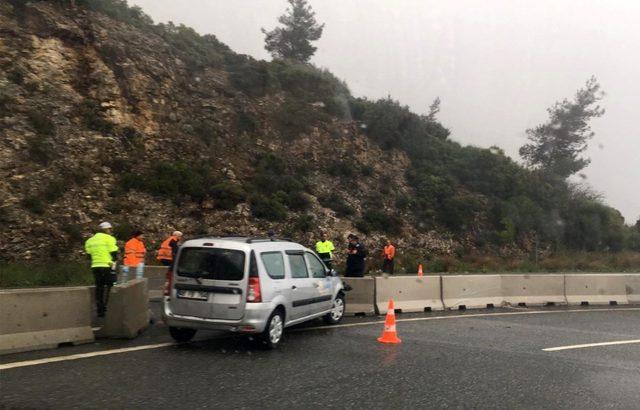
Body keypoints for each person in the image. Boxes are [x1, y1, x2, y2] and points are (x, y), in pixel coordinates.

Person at [85, 222, 118, 317]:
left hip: (95, 266)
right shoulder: (109, 239)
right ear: (106, 230)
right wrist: (114, 265)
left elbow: (89, 256)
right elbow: (114, 254)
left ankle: (100, 310)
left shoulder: (89, 241)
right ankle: (107, 307)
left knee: (99, 288)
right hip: (107, 265)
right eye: (110, 229)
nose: (111, 231)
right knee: (110, 285)